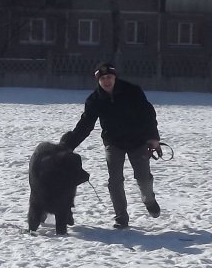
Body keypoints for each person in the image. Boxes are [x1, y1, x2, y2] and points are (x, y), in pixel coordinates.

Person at [62, 62, 162, 229]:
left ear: (115, 77)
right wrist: (68, 145)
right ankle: (121, 216)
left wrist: (153, 138)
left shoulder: (132, 91)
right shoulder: (95, 100)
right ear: (98, 81)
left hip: (137, 141)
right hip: (113, 143)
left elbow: (148, 115)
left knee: (143, 177)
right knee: (115, 180)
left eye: (109, 77)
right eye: (103, 79)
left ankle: (149, 200)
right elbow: (85, 125)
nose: (106, 81)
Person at [27, 132, 90, 235]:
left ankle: (32, 228)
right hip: (55, 192)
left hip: (39, 188)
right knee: (62, 202)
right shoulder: (70, 158)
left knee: (37, 206)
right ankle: (61, 228)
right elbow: (73, 178)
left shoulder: (45, 152)